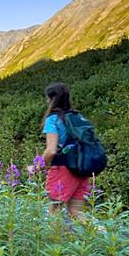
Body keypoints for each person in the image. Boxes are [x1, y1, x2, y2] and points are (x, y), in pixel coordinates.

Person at [40, 82, 90, 221]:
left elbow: (51, 150)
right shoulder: (78, 117)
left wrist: (38, 165)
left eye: (47, 98)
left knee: (53, 211)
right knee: (76, 211)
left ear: (52, 99)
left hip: (63, 169)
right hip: (81, 169)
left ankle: (53, 241)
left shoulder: (53, 120)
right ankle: (105, 237)